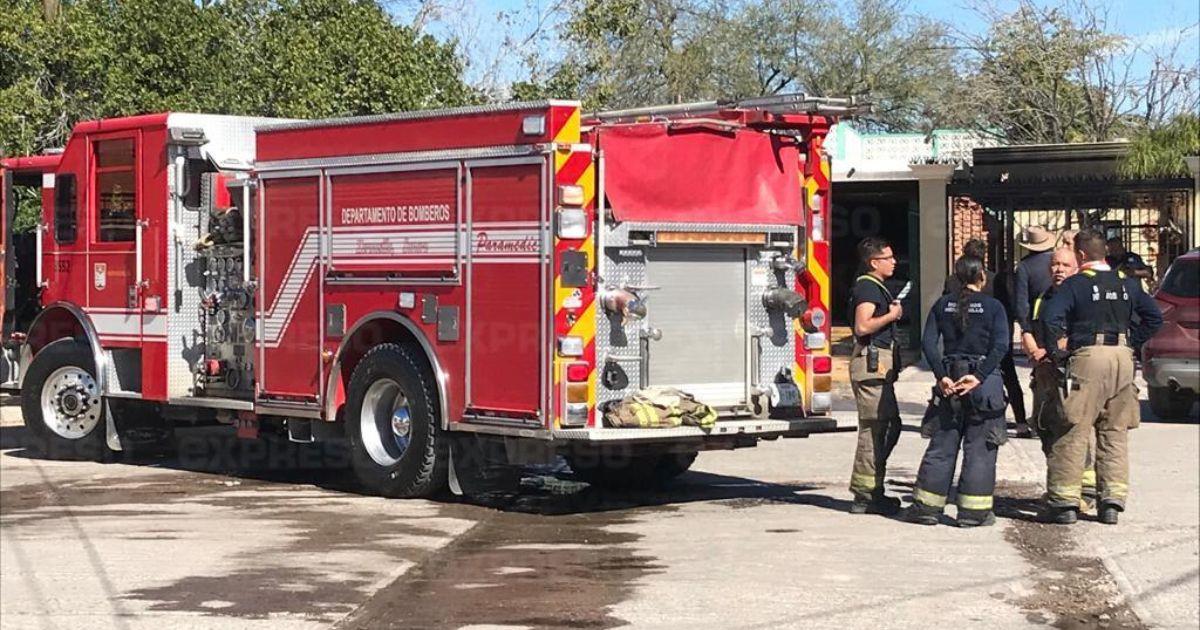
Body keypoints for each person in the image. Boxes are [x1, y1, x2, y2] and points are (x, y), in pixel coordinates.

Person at [1041, 229, 1163, 525]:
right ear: (1104, 253)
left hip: (1088, 357)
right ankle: (1111, 502)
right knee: (1115, 430)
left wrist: (1059, 352)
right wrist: (1132, 343)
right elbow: (1154, 318)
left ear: (1081, 255)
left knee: (1073, 427)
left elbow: (1050, 318)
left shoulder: (1075, 285)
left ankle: (1065, 503)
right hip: (1122, 358)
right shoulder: (1128, 284)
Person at [906, 255, 1010, 527]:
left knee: (942, 445)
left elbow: (928, 344)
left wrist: (941, 376)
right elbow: (1001, 346)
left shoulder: (942, 305)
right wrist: (978, 377)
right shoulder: (994, 307)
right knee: (980, 449)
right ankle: (973, 514)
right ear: (982, 278)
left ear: (956, 277)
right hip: (983, 385)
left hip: (949, 382)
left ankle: (927, 509)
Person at [1021, 248, 1097, 511]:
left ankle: (1085, 491)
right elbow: (1027, 329)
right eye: (1054, 265)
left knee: (1076, 433)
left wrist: (1061, 352)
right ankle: (1059, 487)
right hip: (1044, 375)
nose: (1059, 269)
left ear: (1077, 267)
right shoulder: (1043, 298)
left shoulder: (1082, 295)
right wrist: (1036, 354)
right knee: (1044, 428)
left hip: (1073, 376)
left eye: (1065, 264)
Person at [944, 239, 1030, 438]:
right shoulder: (994, 279)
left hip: (963, 339)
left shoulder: (952, 281)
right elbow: (1008, 308)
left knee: (957, 377)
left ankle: (956, 418)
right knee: (1010, 378)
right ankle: (1021, 422)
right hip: (992, 337)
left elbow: (946, 306)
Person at [847, 237, 904, 515]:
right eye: (888, 257)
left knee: (888, 426)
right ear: (874, 262)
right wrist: (891, 316)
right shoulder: (868, 288)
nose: (894, 261)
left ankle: (873, 489)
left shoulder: (875, 287)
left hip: (879, 368)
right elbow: (862, 326)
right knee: (874, 430)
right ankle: (865, 495)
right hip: (871, 368)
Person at [1013, 225, 1057, 347]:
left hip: (1037, 317)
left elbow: (1021, 300)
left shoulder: (1024, 266)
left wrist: (1025, 327)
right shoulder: (1058, 260)